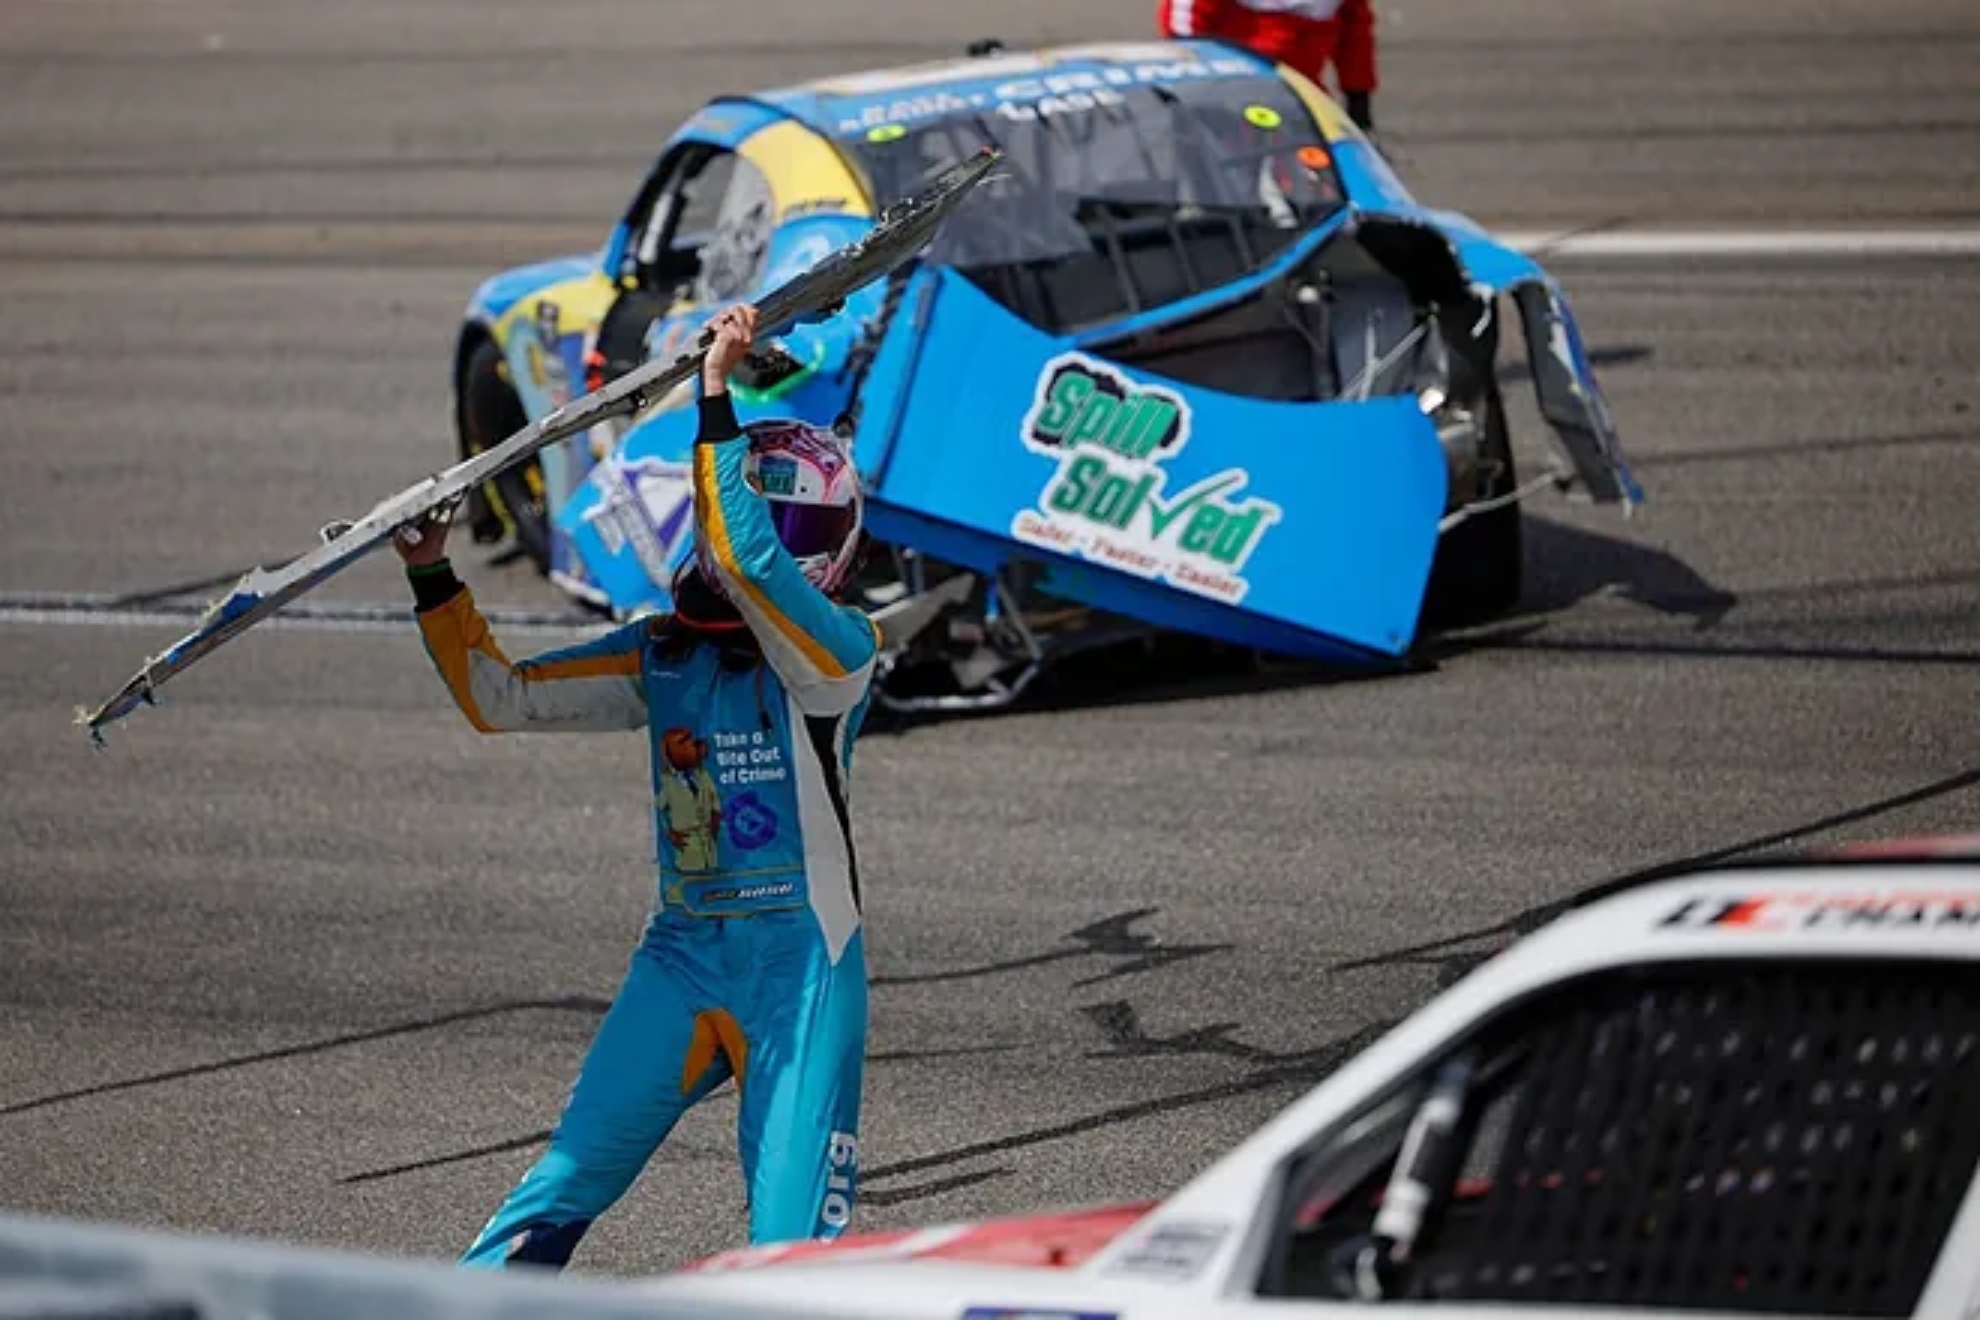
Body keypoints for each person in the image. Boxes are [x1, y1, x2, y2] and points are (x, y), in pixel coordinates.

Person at [393, 302, 881, 1269]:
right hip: (683, 955)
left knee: (786, 1252)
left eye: (755, 515)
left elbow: (747, 565)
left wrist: (714, 393)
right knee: (562, 1182)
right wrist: (433, 576)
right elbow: (503, 699)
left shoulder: (839, 658)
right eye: (724, 506)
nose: (729, 536)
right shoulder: (662, 655)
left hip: (803, 970)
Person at [1158, 0, 1379, 134]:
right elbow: (1183, 25)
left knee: (1323, 190)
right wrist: (1195, 86)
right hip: (1226, 98)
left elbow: (1356, 34)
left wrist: (1358, 101)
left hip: (1303, 97)